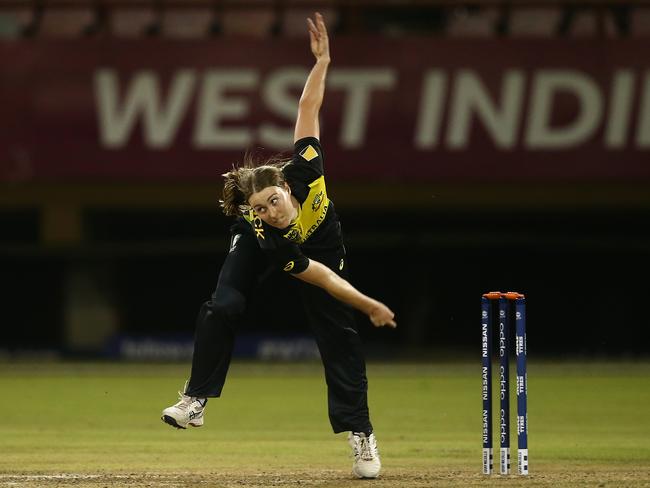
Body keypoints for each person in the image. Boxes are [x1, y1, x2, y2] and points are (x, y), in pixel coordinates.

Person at [161, 12, 396, 479]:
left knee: (337, 337)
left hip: (324, 247)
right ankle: (196, 399)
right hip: (284, 252)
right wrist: (370, 303)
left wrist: (323, 60)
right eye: (262, 208)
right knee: (223, 304)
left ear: (286, 189)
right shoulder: (265, 232)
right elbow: (317, 277)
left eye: (273, 202)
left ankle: (361, 435)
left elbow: (308, 108)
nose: (272, 210)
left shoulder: (306, 167)